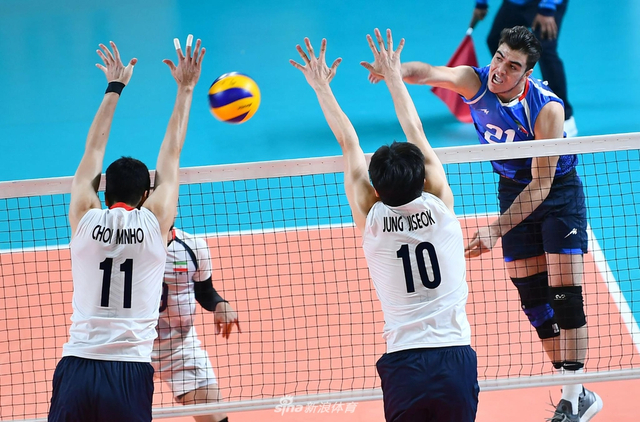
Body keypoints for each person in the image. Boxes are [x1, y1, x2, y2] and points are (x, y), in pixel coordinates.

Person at [363, 25, 602, 421]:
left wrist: (495, 228)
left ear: (527, 73)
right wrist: (394, 70)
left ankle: (574, 397)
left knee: (564, 293)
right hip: (511, 187)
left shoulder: (547, 109)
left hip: (557, 193)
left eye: (512, 67)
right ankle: (576, 390)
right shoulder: (475, 81)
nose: (500, 71)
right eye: (498, 59)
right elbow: (429, 73)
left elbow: (542, 183)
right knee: (534, 300)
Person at [292, 29, 479, 421]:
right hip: (454, 356)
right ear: (422, 178)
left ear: (375, 190)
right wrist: (394, 75)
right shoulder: (440, 205)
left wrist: (320, 86)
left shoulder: (371, 218)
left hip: (404, 363)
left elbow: (348, 142)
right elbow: (415, 130)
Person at [48, 36, 205, 422]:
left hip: (78, 366)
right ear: (146, 195)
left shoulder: (85, 217)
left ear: (103, 191)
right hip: (129, 370)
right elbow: (172, 154)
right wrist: (185, 88)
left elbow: (92, 152)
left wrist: (114, 86)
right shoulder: (155, 223)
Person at [152, 225, 240, 422]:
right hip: (132, 350)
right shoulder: (127, 245)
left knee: (216, 418)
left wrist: (220, 304)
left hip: (180, 351)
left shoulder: (193, 246)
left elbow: (204, 291)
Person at [471, 0, 578, 137]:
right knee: (495, 39)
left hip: (544, 5)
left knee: (546, 52)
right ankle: (511, 96)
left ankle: (565, 117)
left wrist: (548, 8)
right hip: (515, 2)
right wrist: (481, 4)